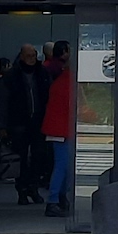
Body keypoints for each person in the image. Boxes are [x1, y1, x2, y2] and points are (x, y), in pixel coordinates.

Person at [0, 44, 47, 204]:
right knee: (21, 157)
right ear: (22, 56)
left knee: (38, 156)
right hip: (18, 122)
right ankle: (22, 190)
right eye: (29, 56)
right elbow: (3, 102)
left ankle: (33, 187)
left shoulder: (42, 73)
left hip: (38, 121)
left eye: (34, 55)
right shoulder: (12, 76)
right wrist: (2, 126)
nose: (32, 59)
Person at [41, 39, 75, 218]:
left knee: (63, 165)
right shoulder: (69, 81)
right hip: (61, 129)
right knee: (62, 165)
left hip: (57, 128)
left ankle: (59, 197)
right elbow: (77, 105)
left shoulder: (61, 79)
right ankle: (54, 199)